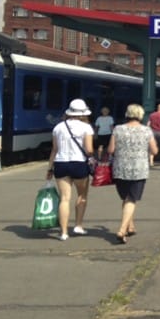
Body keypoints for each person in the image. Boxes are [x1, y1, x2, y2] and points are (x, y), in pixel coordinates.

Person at [107, 104, 158, 244]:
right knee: (131, 199)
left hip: (120, 169)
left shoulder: (118, 129)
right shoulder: (146, 131)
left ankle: (130, 226)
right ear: (140, 115)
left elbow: (110, 150)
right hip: (139, 169)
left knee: (126, 198)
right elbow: (154, 151)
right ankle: (122, 229)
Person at [47, 98, 94, 241]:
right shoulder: (86, 128)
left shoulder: (58, 127)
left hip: (60, 164)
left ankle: (63, 232)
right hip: (79, 164)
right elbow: (89, 149)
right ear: (83, 113)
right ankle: (78, 225)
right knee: (82, 196)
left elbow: (54, 150)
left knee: (65, 198)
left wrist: (50, 169)